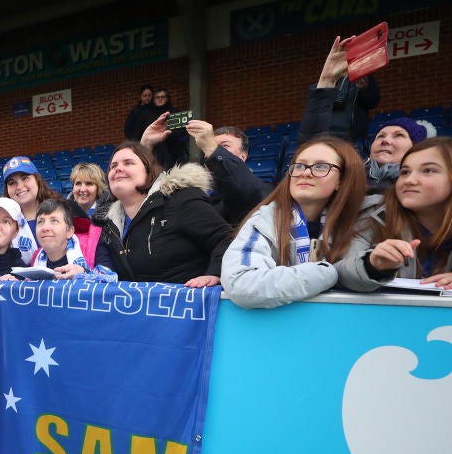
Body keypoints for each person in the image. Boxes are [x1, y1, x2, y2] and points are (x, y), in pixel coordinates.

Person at [337, 137, 452, 292]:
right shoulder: (372, 217)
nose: (410, 180)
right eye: (405, 172)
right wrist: (373, 266)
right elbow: (339, 273)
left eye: (429, 170)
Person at [221, 137, 371, 308]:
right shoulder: (265, 219)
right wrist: (327, 272)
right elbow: (242, 283)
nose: (305, 173)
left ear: (341, 181)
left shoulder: (363, 221)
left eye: (321, 167)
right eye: (299, 165)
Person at [299, 37, 433, 192]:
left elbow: (372, 100)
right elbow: (311, 153)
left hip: (350, 134)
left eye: (399, 135)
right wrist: (327, 81)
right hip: (329, 133)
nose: (386, 141)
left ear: (417, 148)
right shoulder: (347, 183)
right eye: (380, 136)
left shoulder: (426, 190)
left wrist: (365, 86)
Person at [93, 142, 231, 287]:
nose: (118, 169)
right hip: (134, 306)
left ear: (149, 170)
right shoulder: (109, 222)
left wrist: (215, 273)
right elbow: (105, 260)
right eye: (113, 166)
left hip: (187, 304)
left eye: (128, 163)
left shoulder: (181, 199)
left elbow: (224, 238)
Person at [143, 116, 268, 225]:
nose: (211, 152)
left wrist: (211, 146)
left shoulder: (260, 189)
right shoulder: (191, 192)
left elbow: (245, 190)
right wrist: (145, 148)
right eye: (209, 147)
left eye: (224, 146)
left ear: (243, 156)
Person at [1, 155, 61, 264]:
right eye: (12, 183)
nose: (19, 186)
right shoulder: (2, 223)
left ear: (37, 180)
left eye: (25, 178)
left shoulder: (62, 210)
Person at [30, 199, 91, 277]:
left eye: (54, 221)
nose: (45, 228)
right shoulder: (36, 257)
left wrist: (83, 271)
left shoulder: (89, 252)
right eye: (40, 222)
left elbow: (108, 278)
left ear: (69, 231)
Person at [149, 87, 188, 169]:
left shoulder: (174, 112)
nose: (160, 99)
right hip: (154, 150)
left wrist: (167, 134)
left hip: (172, 149)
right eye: (157, 97)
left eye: (162, 97)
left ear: (167, 98)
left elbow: (181, 131)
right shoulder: (148, 114)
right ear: (153, 99)